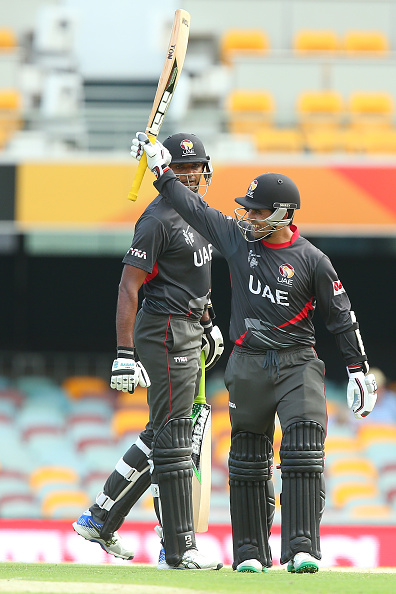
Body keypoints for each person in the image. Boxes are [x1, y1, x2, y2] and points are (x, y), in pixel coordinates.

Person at [131, 133, 378, 574]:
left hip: (298, 363)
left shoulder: (313, 260)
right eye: (247, 208)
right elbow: (196, 210)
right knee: (246, 460)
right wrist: (162, 173)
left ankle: (302, 547)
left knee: (303, 451)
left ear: (283, 214)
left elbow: (342, 317)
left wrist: (359, 369)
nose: (248, 216)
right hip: (247, 364)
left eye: (258, 211)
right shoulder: (236, 240)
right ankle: (249, 553)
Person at [73, 133, 224, 571]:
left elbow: (194, 279)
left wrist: (209, 325)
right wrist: (124, 352)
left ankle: (100, 517)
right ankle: (177, 551)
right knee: (175, 436)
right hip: (164, 331)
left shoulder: (199, 216)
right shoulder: (156, 219)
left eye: (201, 167)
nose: (199, 175)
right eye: (191, 167)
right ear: (171, 170)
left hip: (190, 328)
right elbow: (128, 286)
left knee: (166, 431)